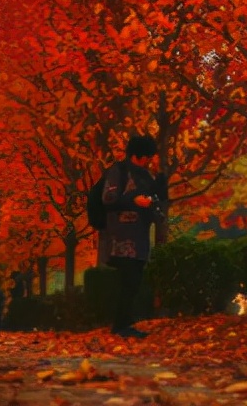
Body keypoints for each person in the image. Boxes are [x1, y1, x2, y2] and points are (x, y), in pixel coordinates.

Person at [98, 133, 167, 339]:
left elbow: (156, 200)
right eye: (146, 156)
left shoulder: (145, 176)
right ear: (137, 155)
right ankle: (121, 326)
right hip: (122, 236)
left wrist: (160, 186)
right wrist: (134, 200)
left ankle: (124, 324)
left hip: (140, 236)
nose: (149, 161)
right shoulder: (118, 172)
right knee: (128, 280)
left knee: (135, 280)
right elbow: (109, 199)